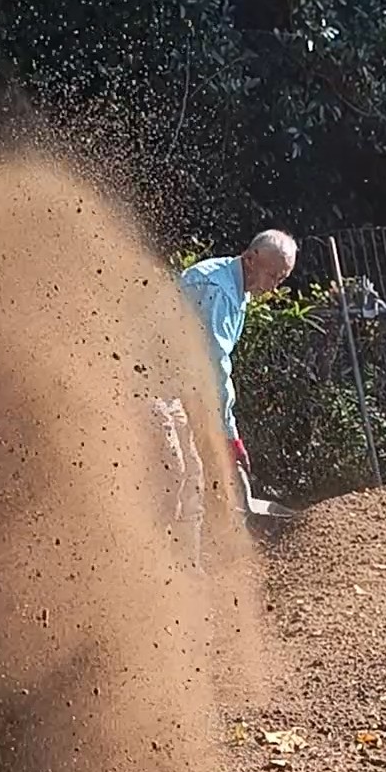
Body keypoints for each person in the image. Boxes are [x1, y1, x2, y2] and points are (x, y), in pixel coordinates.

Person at [155, 228, 298, 562]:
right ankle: (150, 565)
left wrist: (225, 432)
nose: (275, 285)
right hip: (144, 385)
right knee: (171, 471)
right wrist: (229, 435)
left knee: (193, 479)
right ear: (251, 258)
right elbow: (214, 367)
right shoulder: (217, 288)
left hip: (173, 391)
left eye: (282, 278)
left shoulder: (240, 292)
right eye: (273, 275)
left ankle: (187, 572)